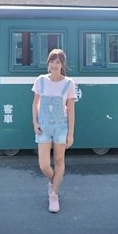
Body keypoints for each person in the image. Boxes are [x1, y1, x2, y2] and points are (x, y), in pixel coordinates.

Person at [31, 48, 77, 213]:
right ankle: (54, 182)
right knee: (43, 165)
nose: (54, 65)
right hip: (43, 126)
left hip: (61, 127)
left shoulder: (69, 83)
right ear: (48, 63)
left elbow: (71, 110)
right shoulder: (40, 81)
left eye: (58, 62)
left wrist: (70, 133)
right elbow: (35, 104)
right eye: (52, 61)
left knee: (59, 161)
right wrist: (35, 123)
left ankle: (54, 195)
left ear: (63, 64)